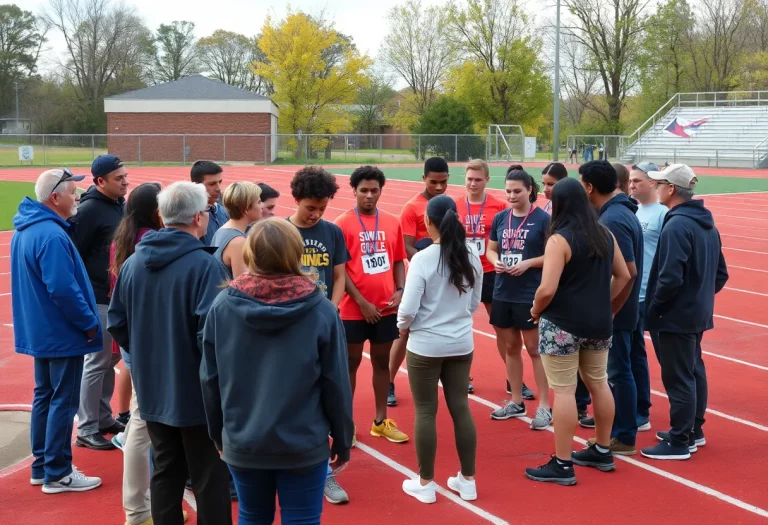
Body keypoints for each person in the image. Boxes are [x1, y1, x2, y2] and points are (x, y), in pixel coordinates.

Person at [201, 218, 354, 525]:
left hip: (244, 439)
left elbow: (210, 378)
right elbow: (336, 380)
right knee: (303, 519)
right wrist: (342, 436)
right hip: (303, 441)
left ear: (250, 254)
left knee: (252, 516)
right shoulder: (321, 309)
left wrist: (218, 434)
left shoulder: (222, 306)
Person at [108, 182, 232, 525]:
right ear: (197, 218)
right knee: (209, 475)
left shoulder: (133, 264)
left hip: (151, 390)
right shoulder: (204, 266)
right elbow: (212, 336)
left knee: (165, 470)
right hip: (197, 394)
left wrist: (149, 355)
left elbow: (117, 322)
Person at [524, 177, 631, 486]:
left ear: (558, 205)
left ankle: (562, 463)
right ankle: (602, 448)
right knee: (599, 383)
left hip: (562, 324)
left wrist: (534, 310)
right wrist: (603, 303)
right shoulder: (605, 234)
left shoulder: (559, 239)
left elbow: (546, 289)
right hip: (599, 322)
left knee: (565, 390)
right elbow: (624, 275)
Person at [11, 168, 102, 493]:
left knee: (45, 397)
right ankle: (58, 472)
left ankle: (43, 467)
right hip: (61, 333)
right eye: (72, 190)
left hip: (41, 332)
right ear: (55, 197)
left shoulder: (28, 229)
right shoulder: (50, 234)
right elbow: (62, 289)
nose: (77, 196)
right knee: (63, 401)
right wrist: (89, 324)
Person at [397, 195, 482, 504]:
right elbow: (474, 303)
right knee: (460, 406)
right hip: (462, 342)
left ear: (428, 223)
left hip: (425, 345)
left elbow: (407, 308)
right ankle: (468, 480)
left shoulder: (422, 259)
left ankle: (426, 482)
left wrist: (402, 326)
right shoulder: (472, 253)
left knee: (425, 410)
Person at [641, 164, 728, 460]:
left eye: (660, 182)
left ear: (671, 189)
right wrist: (699, 297)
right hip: (695, 314)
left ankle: (680, 440)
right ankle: (693, 430)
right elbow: (721, 274)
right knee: (693, 371)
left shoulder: (677, 225)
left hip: (675, 316)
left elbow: (669, 278)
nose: (656, 187)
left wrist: (655, 309)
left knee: (678, 377)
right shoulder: (706, 224)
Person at [286, 167, 350, 505]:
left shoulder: (332, 232)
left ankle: (323, 473)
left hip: (324, 325)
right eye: (311, 207)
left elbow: (339, 275)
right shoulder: (280, 231)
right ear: (296, 199)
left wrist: (333, 309)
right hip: (290, 327)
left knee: (326, 394)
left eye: (322, 208)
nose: (316, 215)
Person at [107, 182, 171, 525]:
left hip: (135, 337)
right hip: (149, 340)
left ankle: (144, 504)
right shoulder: (149, 242)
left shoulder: (125, 236)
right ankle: (139, 509)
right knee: (144, 423)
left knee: (142, 420)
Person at [335, 166, 409, 445]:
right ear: (353, 191)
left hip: (386, 309)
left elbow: (399, 260)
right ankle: (346, 425)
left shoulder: (392, 221)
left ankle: (380, 421)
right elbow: (341, 270)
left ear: (381, 191)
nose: (369, 195)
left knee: (381, 363)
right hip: (354, 310)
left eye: (374, 190)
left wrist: (401, 289)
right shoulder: (342, 224)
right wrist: (362, 302)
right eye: (363, 190)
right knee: (350, 365)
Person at [580, 160, 643, 456]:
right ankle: (618, 426)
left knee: (618, 373)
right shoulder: (620, 212)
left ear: (590, 187)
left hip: (620, 310)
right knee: (621, 370)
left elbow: (626, 272)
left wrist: (609, 309)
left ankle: (624, 435)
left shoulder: (614, 219)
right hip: (625, 307)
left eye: (582, 184)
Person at [486, 168, 552, 430]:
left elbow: (553, 255)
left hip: (529, 292)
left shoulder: (543, 220)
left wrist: (528, 264)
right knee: (511, 348)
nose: (512, 196)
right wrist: (496, 262)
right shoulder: (501, 218)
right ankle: (516, 400)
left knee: (535, 349)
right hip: (503, 291)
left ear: (529, 190)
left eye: (517, 191)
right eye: (508, 191)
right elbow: (491, 249)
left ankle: (545, 406)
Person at [70, 154, 128, 450]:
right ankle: (87, 427)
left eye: (125, 176)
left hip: (114, 297)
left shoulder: (118, 205)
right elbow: (75, 254)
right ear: (100, 181)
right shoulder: (90, 210)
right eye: (119, 179)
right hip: (98, 297)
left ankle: (103, 416)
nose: (125, 182)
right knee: (97, 361)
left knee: (112, 359)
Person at [388, 157, 450, 407]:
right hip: (422, 275)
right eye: (433, 182)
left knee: (447, 325)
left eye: (443, 182)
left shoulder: (448, 205)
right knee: (403, 331)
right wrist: (431, 258)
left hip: (446, 276)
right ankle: (389, 382)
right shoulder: (412, 207)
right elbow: (406, 246)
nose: (438, 187)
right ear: (423, 178)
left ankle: (456, 374)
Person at [453, 159, 509, 395]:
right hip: (462, 273)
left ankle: (512, 377)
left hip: (490, 272)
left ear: (487, 180)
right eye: (469, 179)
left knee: (501, 326)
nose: (473, 183)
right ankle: (461, 376)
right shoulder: (454, 206)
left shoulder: (499, 207)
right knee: (458, 325)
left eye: (478, 179)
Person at [628, 161, 667, 431]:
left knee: (637, 354)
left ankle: (642, 410)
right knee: (623, 354)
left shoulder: (663, 214)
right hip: (628, 293)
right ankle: (627, 405)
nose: (631, 185)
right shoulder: (633, 211)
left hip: (646, 296)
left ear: (652, 183)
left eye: (637, 181)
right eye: (630, 181)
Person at [212, 182, 262, 279]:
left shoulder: (222, 230)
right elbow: (243, 287)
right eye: (259, 202)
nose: (262, 206)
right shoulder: (238, 242)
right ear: (246, 208)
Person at [192, 160, 230, 245]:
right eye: (212, 184)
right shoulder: (191, 217)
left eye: (220, 182)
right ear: (197, 186)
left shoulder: (223, 210)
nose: (218, 188)